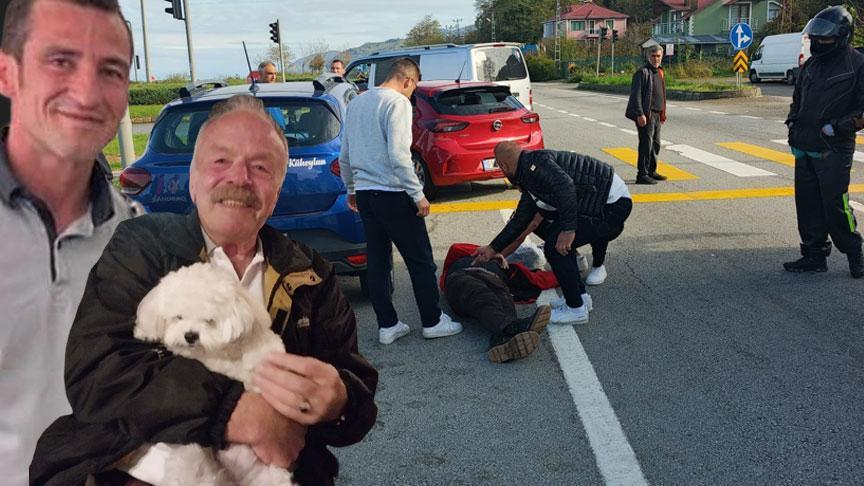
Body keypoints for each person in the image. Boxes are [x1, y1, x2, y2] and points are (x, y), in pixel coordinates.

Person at [30, 95, 378, 486]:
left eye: (260, 167)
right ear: (194, 181)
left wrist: (340, 400)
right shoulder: (143, 247)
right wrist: (236, 411)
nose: (239, 178)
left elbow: (358, 399)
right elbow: (97, 372)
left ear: (276, 190)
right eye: (220, 161)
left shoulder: (311, 273)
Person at [0, 1, 139, 484]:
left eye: (110, 70)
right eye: (61, 61)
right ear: (6, 73)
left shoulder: (142, 243)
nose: (86, 92)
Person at [339, 58, 462, 345]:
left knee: (379, 261)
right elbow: (398, 154)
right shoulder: (397, 104)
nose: (412, 95)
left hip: (367, 195)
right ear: (407, 80)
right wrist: (417, 194)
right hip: (393, 193)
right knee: (420, 261)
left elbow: (345, 154)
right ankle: (432, 321)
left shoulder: (356, 103)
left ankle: (388, 326)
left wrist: (351, 189)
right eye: (414, 88)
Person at [473, 142, 633, 325]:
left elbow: (565, 187)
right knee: (556, 241)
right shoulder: (528, 173)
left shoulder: (536, 167)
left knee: (555, 247)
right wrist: (493, 248)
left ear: (503, 166)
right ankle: (581, 298)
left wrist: (568, 230)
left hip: (612, 204)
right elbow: (521, 220)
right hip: (598, 201)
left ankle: (576, 310)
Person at [783, 5, 864, 279]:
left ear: (841, 36)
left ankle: (855, 252)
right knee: (806, 204)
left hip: (834, 147)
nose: (818, 42)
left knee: (834, 204)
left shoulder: (858, 65)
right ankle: (814, 254)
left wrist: (837, 127)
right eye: (815, 37)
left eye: (824, 37)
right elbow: (798, 99)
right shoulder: (810, 65)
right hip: (804, 144)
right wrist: (792, 125)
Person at [442, 248, 553, 363]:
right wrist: (493, 253)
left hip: (494, 279)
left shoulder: (509, 269)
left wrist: (567, 275)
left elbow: (539, 279)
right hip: (461, 275)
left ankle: (502, 341)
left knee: (505, 301)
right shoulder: (476, 254)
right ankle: (513, 328)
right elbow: (456, 249)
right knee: (482, 296)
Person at [625, 45, 667, 185]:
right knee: (646, 144)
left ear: (662, 56)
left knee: (656, 144)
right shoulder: (642, 73)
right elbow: (635, 95)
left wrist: (662, 113)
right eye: (653, 56)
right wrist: (640, 114)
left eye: (658, 56)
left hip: (657, 113)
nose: (656, 59)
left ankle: (651, 171)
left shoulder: (660, 72)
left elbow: (661, 94)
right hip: (645, 115)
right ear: (648, 57)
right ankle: (642, 174)